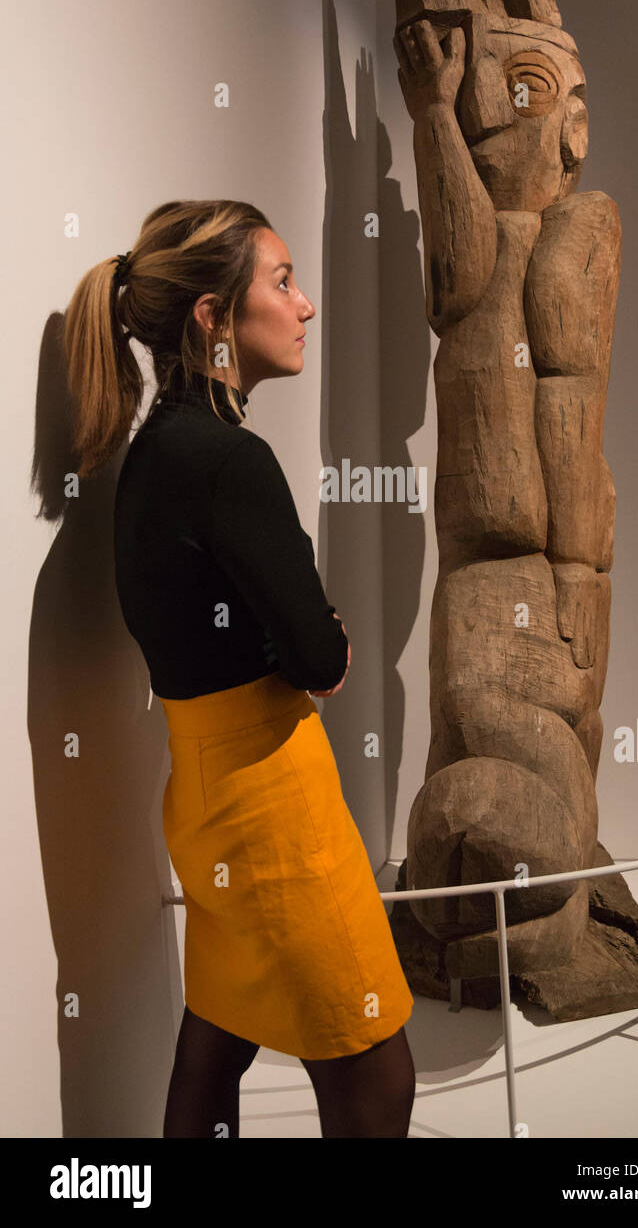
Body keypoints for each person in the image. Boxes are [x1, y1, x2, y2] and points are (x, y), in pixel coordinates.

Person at [63, 198, 415, 1138]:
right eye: (283, 281)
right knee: (373, 1062)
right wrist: (321, 641)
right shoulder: (229, 460)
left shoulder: (148, 457)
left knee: (214, 1043)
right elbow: (320, 653)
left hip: (205, 804)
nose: (304, 307)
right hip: (276, 809)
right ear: (213, 318)